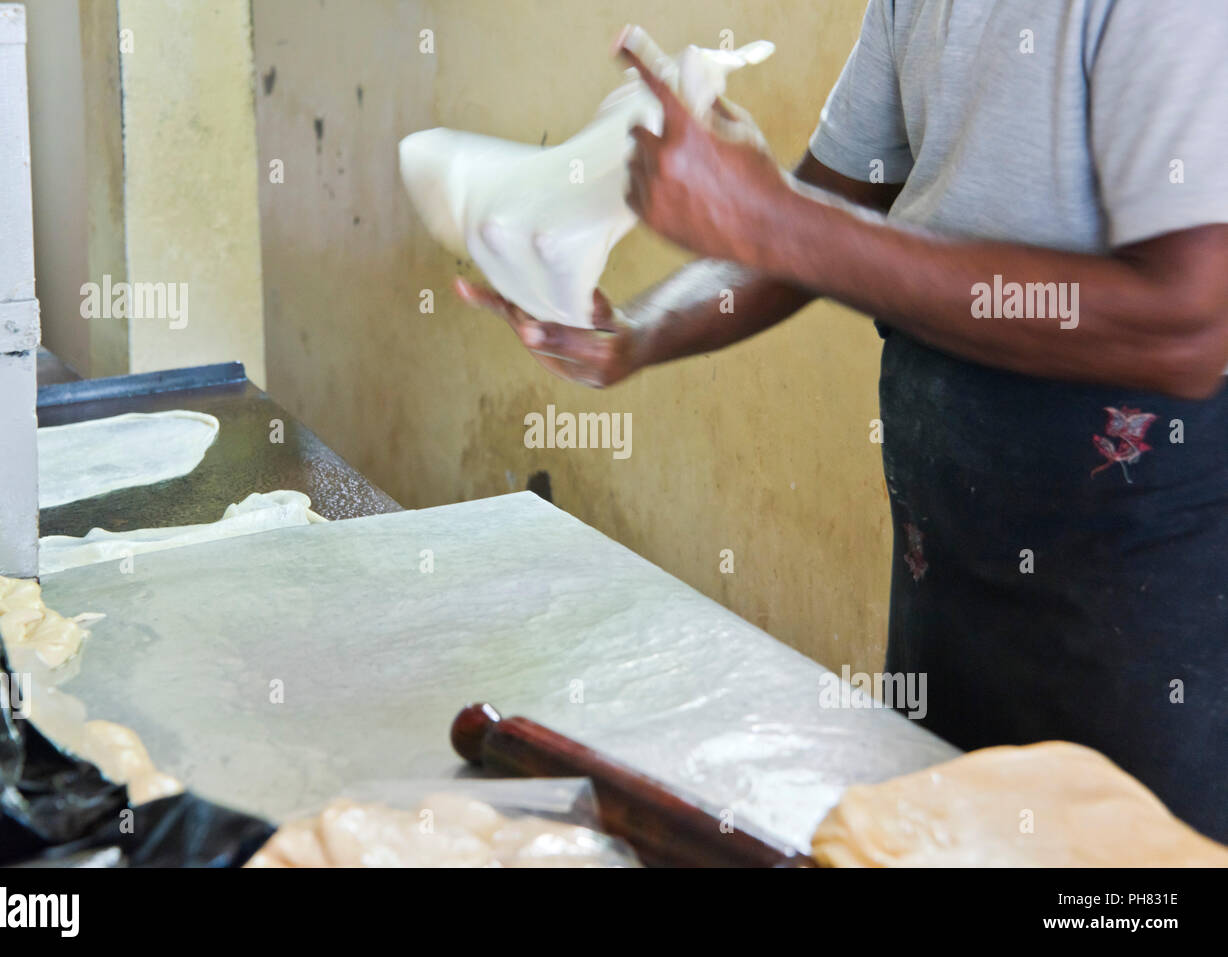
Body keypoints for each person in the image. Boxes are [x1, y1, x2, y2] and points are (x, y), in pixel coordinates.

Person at [456, 2, 1228, 840]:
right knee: (934, 835)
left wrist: (779, 218)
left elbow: (1186, 322)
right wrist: (639, 333)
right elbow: (824, 208)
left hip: (1140, 584)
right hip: (955, 540)